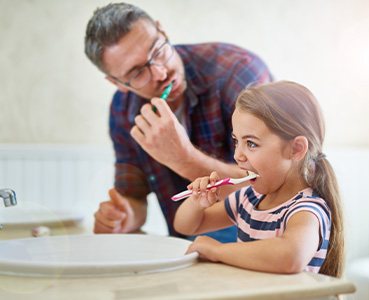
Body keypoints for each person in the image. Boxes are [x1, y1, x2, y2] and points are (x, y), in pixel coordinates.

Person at [84, 3, 273, 241]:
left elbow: (270, 182)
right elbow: (134, 197)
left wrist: (183, 158)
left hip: (264, 245)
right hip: (188, 250)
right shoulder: (123, 110)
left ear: (162, 31)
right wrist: (123, 217)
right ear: (118, 83)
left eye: (158, 51)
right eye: (136, 73)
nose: (161, 73)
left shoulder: (237, 72)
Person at [174, 81, 344, 277]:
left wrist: (218, 250)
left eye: (251, 144)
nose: (238, 155)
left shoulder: (306, 209)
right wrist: (197, 203)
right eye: (237, 141)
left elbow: (291, 256)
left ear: (296, 149)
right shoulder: (248, 199)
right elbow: (187, 226)